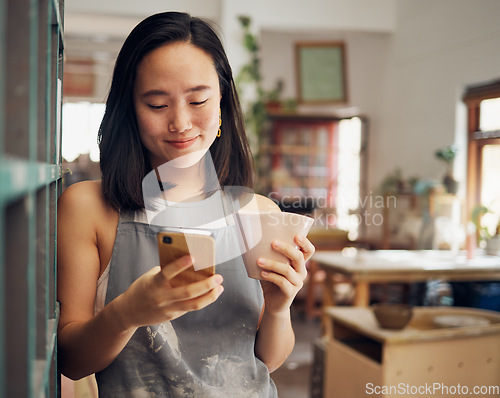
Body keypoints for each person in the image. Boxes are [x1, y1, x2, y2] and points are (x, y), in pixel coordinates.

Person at [57, 11, 315, 397]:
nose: (180, 122)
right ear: (130, 110)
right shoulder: (88, 207)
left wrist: (280, 307)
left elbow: (267, 360)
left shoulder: (258, 212)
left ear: (223, 101)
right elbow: (71, 361)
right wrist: (126, 314)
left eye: (198, 100)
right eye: (158, 105)